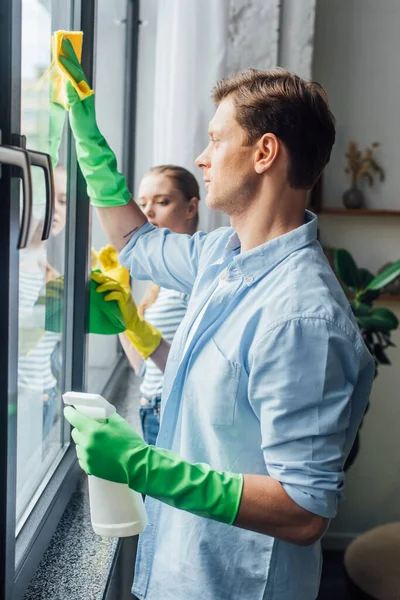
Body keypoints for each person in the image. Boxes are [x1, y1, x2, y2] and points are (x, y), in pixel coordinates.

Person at [60, 38, 375, 600]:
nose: (201, 158)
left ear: (264, 153)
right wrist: (85, 130)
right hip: (182, 568)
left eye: (214, 140)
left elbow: (305, 512)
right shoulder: (219, 257)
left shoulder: (302, 318)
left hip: (233, 586)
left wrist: (142, 465)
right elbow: (135, 240)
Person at [114, 165, 199, 444]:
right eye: (142, 204)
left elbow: (192, 369)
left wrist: (140, 329)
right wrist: (119, 306)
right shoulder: (159, 286)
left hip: (175, 410)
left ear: (191, 208)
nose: (148, 213)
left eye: (162, 202)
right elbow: (143, 366)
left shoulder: (194, 281)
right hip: (151, 407)